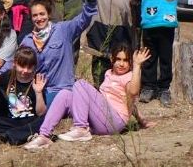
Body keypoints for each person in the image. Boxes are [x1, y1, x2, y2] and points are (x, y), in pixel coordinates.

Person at [25, 46, 153, 149]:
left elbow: (133, 93)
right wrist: (142, 121)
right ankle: (44, 136)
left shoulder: (129, 76)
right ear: (112, 60)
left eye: (125, 61)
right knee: (65, 94)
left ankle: (81, 128)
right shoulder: (108, 74)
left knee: (80, 84)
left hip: (115, 121)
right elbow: (127, 103)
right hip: (100, 118)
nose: (121, 64)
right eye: (118, 59)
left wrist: (137, 66)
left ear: (130, 63)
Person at [0, 0, 97, 110]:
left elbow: (82, 21)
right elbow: (15, 63)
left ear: (49, 14)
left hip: (64, 89)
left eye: (42, 14)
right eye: (35, 15)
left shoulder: (63, 30)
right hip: (40, 91)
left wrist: (91, 3)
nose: (39, 18)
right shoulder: (28, 41)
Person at [0, 46, 47, 145]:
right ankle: (24, 133)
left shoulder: (37, 81)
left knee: (43, 121)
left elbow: (41, 112)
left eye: (29, 67)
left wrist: (38, 92)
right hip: (11, 120)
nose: (25, 71)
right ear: (14, 64)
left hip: (29, 120)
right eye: (22, 66)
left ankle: (9, 136)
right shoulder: (9, 76)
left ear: (34, 67)